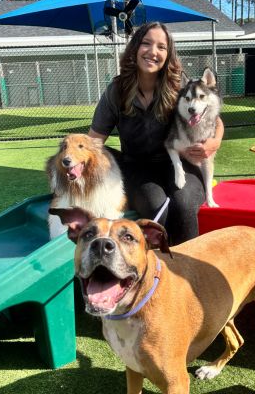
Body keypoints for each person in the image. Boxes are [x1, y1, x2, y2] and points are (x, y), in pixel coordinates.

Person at [88, 22, 224, 245]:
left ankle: (188, 271)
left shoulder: (178, 85)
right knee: (156, 205)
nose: (153, 52)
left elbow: (216, 121)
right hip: (137, 167)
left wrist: (214, 143)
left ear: (168, 54)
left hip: (179, 162)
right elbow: (94, 141)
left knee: (184, 201)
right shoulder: (116, 90)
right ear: (135, 48)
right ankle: (157, 269)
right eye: (146, 43)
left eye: (161, 47)